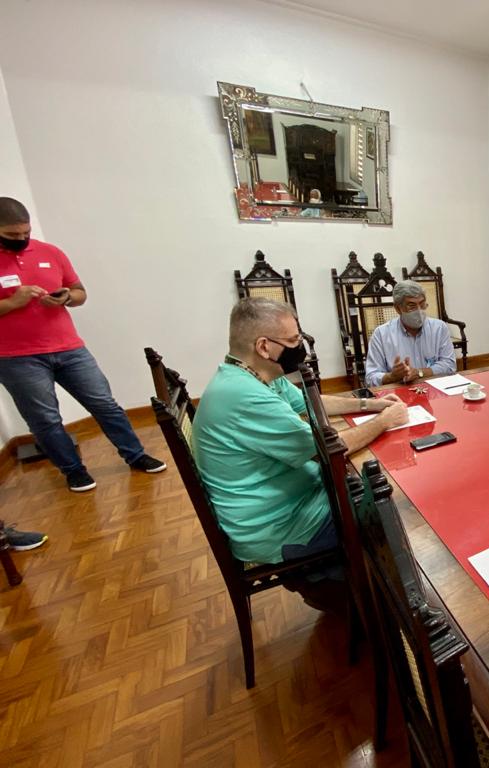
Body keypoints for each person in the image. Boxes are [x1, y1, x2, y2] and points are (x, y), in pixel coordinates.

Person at [192, 297, 408, 606]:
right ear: (264, 346)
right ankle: (378, 602)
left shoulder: (251, 373)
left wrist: (370, 404)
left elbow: (312, 402)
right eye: (293, 341)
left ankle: (367, 589)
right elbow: (329, 449)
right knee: (384, 509)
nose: (299, 347)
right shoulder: (244, 396)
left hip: (290, 501)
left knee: (367, 490)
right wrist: (385, 421)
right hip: (281, 526)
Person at [0, 197, 166, 492]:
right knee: (45, 419)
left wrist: (66, 297)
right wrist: (13, 302)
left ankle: (136, 455)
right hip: (16, 358)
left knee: (104, 404)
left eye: (26, 232)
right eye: (13, 234)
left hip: (69, 348)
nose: (21, 238)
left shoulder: (51, 252)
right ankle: (74, 471)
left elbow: (79, 292)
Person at [364, 280, 456, 387]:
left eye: (422, 304)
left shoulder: (439, 328)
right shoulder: (381, 334)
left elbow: (449, 365)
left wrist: (419, 373)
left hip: (434, 388)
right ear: (398, 308)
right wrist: (392, 377)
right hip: (398, 390)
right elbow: (370, 378)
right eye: (412, 306)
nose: (419, 311)